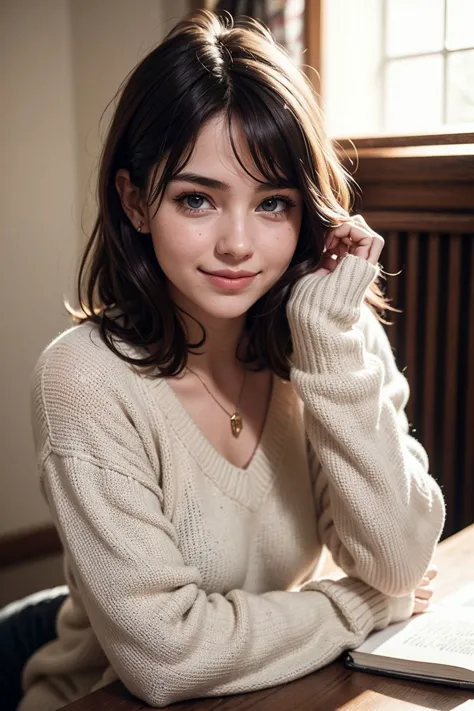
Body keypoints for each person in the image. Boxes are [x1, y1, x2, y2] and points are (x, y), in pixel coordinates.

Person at [14, 9, 444, 711]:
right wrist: (359, 606)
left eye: (273, 203)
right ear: (135, 201)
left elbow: (400, 560)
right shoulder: (83, 379)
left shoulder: (330, 335)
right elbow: (163, 657)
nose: (238, 243)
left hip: (278, 689)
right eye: (197, 199)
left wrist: (331, 346)